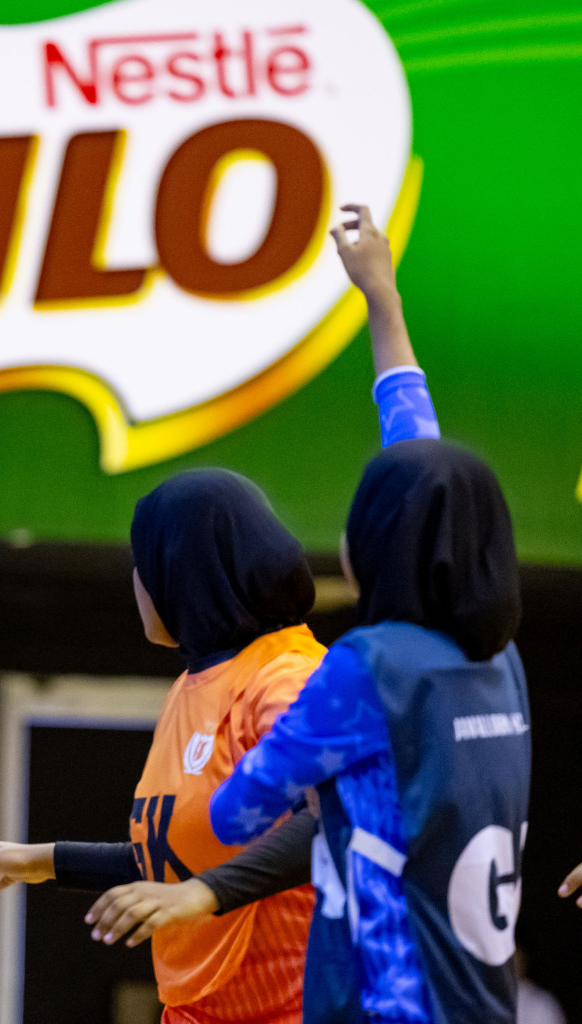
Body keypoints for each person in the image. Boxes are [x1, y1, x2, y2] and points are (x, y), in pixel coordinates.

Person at [210, 206, 530, 1024]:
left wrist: (321, 786)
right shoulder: (499, 660)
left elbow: (233, 812)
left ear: (379, 542)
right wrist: (381, 302)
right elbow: (423, 472)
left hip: (381, 1003)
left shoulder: (373, 666)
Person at [0, 466, 325, 1024]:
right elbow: (178, 866)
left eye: (141, 562)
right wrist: (40, 861)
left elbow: (334, 816)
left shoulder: (287, 675)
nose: (137, 581)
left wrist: (202, 895)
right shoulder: (192, 687)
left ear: (182, 570)